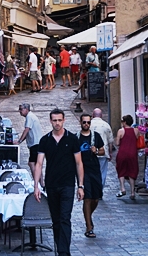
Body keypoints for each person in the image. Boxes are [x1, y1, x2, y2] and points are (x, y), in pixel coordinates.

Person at [34, 108, 85, 256]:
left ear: (64, 120)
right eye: (54, 120)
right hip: (51, 184)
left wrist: (80, 186)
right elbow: (39, 163)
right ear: (50, 121)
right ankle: (60, 248)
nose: (57, 123)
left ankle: (64, 252)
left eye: (59, 120)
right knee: (56, 220)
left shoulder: (72, 139)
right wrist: (36, 185)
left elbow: (79, 163)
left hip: (67, 184)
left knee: (65, 218)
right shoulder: (45, 140)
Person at [77, 113, 104, 238]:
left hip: (95, 169)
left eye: (88, 122)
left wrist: (96, 151)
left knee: (96, 198)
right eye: (84, 122)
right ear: (80, 123)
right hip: (83, 170)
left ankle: (88, 216)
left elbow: (103, 150)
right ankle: (89, 227)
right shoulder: (76, 138)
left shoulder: (95, 136)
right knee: (87, 197)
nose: (86, 124)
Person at [16, 103, 44, 188]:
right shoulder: (30, 116)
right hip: (36, 143)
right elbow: (27, 132)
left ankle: (36, 182)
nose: (20, 111)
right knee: (37, 164)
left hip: (36, 144)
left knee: (32, 163)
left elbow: (26, 130)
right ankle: (41, 183)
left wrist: (19, 141)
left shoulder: (29, 117)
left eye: (21, 109)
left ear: (26, 109)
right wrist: (20, 141)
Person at [115, 114, 140, 199]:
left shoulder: (121, 131)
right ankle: (132, 192)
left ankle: (122, 188)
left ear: (125, 122)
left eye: (122, 121)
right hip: (132, 153)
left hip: (122, 153)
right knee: (132, 171)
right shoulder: (136, 130)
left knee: (121, 169)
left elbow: (117, 143)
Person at [89, 108, 115, 188]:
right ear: (101, 115)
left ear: (93, 115)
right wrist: (110, 152)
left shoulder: (89, 124)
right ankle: (100, 189)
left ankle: (93, 188)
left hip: (91, 152)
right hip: (103, 152)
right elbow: (110, 141)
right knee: (102, 172)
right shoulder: (106, 125)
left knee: (92, 171)